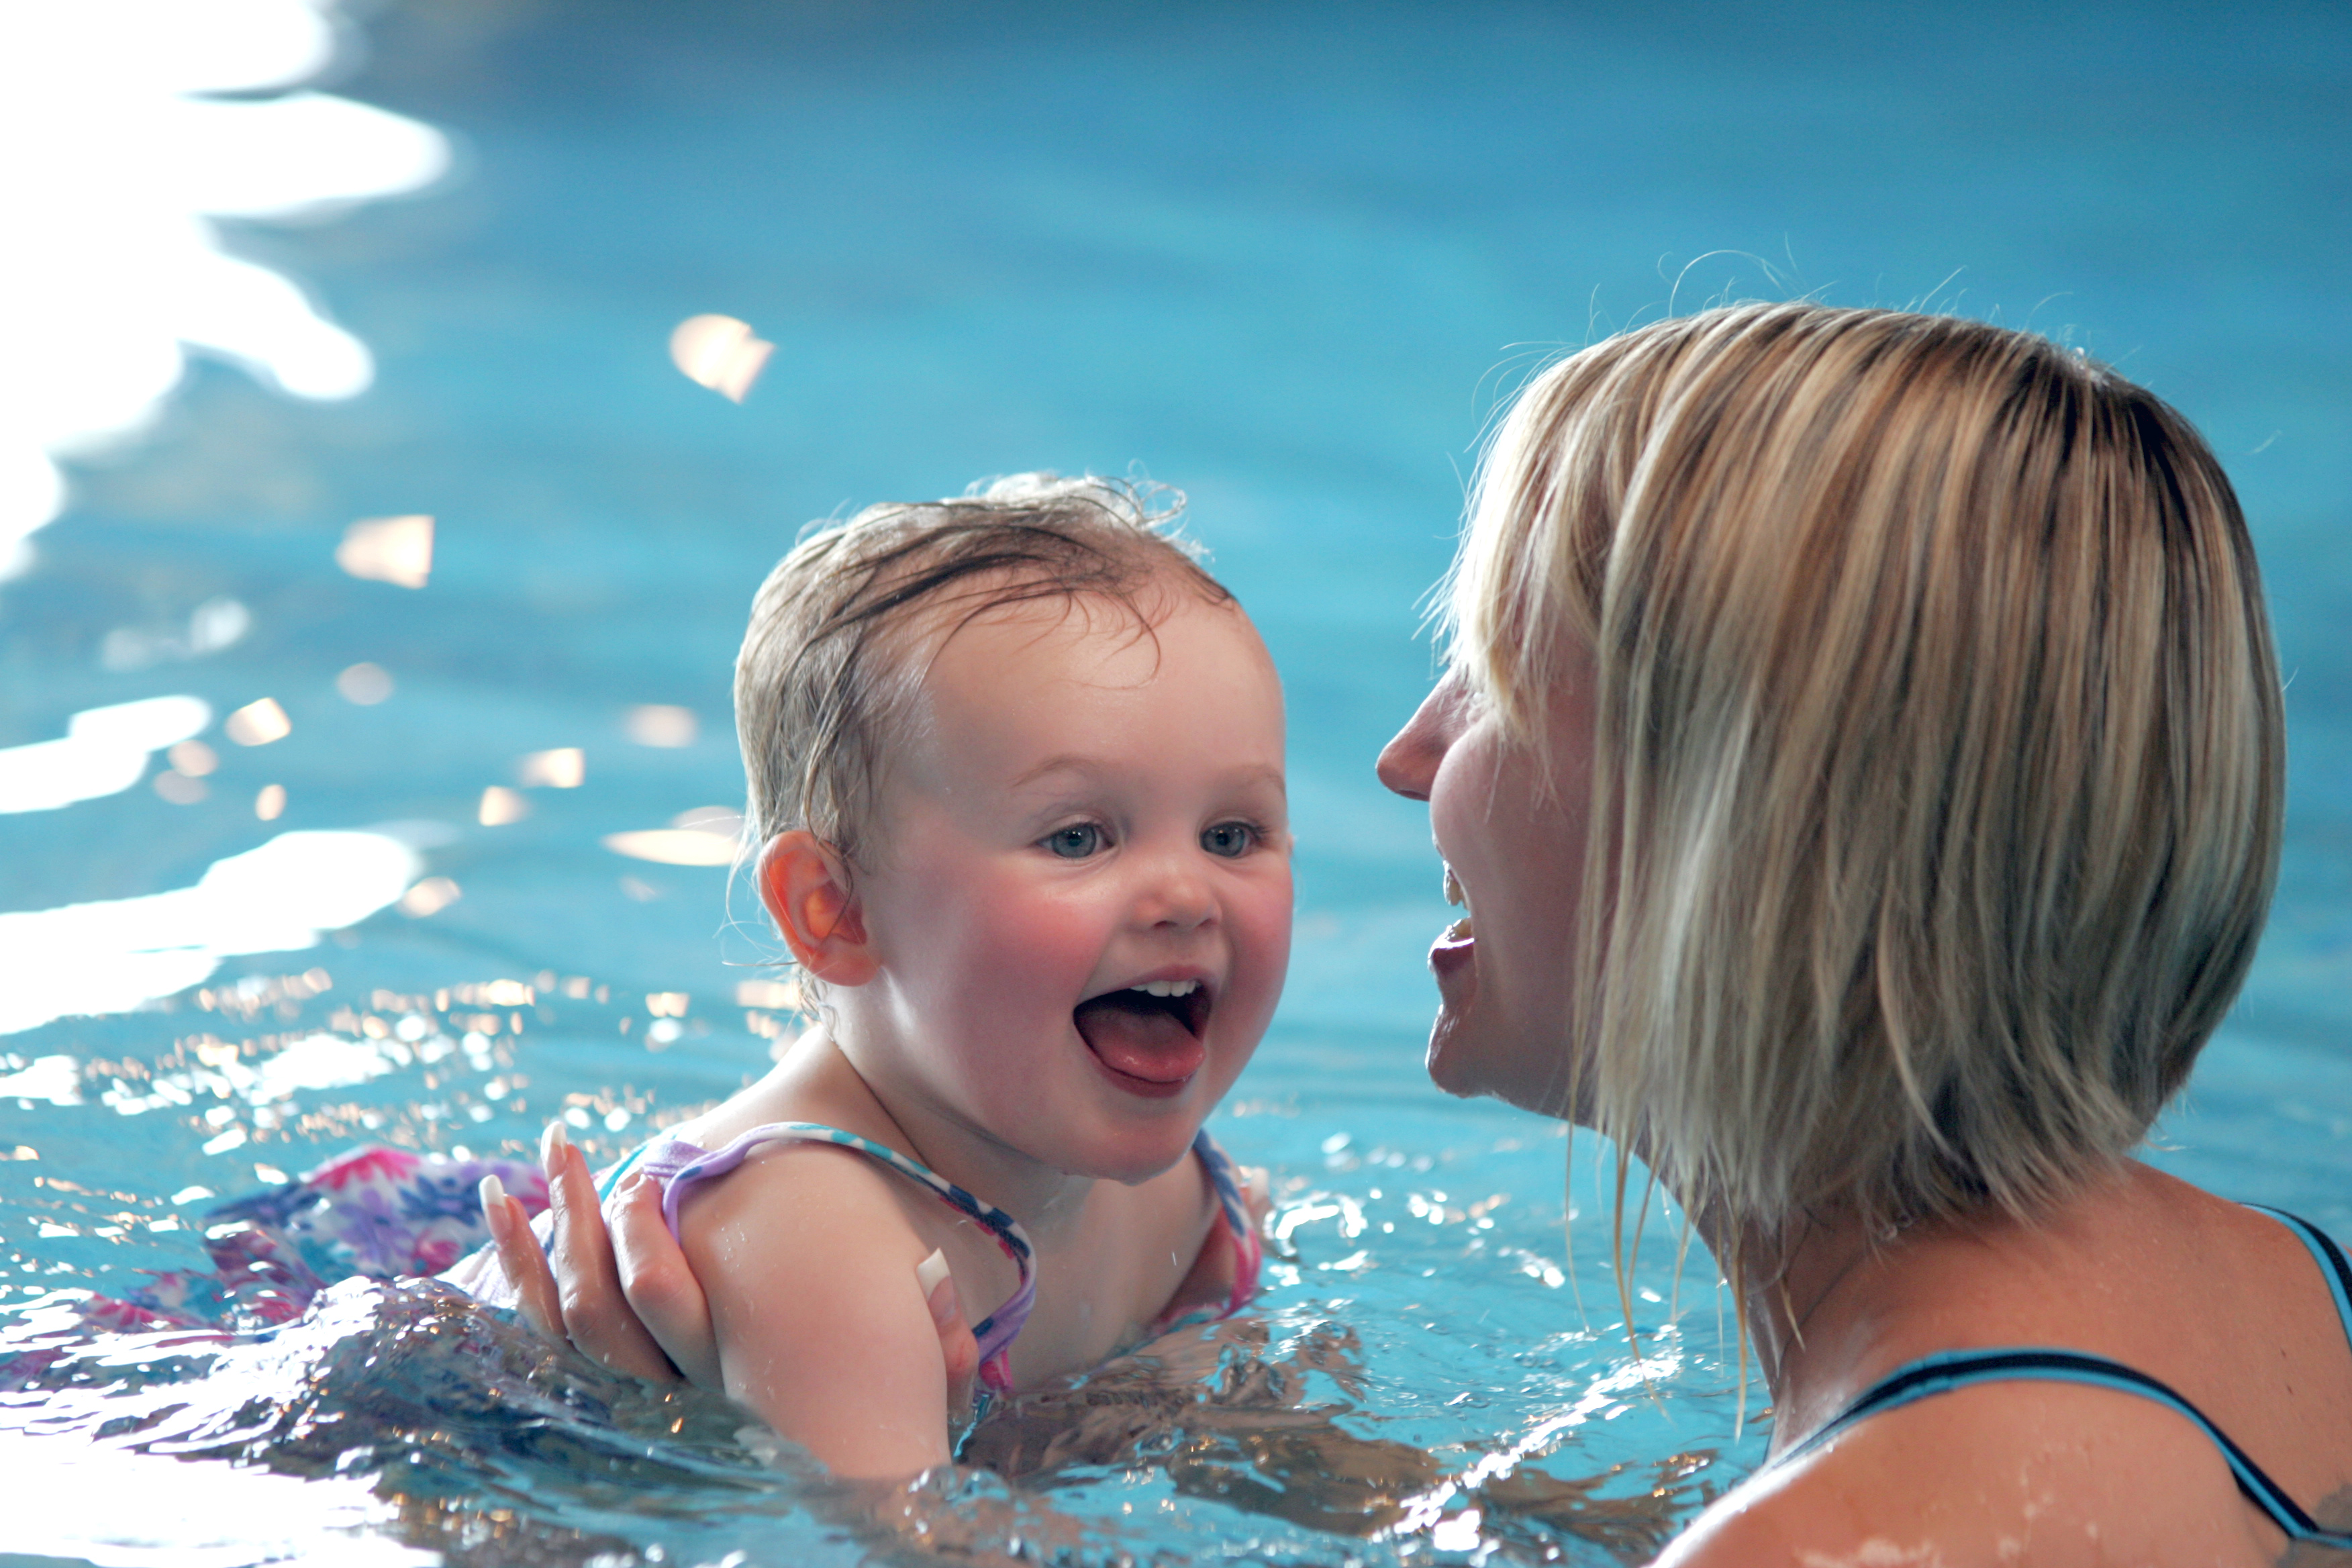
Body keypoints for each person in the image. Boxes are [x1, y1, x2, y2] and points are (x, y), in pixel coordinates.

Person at [526, 305, 2352, 1560]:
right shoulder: (2308, 1310)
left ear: (1725, 836)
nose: (1405, 763)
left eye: (1492, 681)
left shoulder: (1844, 1543)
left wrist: (637, 1483)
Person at [468, 473, 1288, 1480]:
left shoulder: (1180, 1199)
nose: (1187, 896)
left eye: (1231, 835)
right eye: (1078, 837)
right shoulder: (816, 1235)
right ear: (838, 909)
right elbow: (889, 1545)